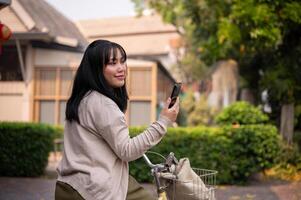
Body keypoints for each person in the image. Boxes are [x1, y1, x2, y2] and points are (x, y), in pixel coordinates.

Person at [55, 40, 180, 200]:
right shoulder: (103, 104)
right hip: (93, 189)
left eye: (122, 61)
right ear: (96, 70)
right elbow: (127, 151)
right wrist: (163, 122)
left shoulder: (82, 98)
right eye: (112, 63)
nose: (121, 68)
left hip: (69, 185)